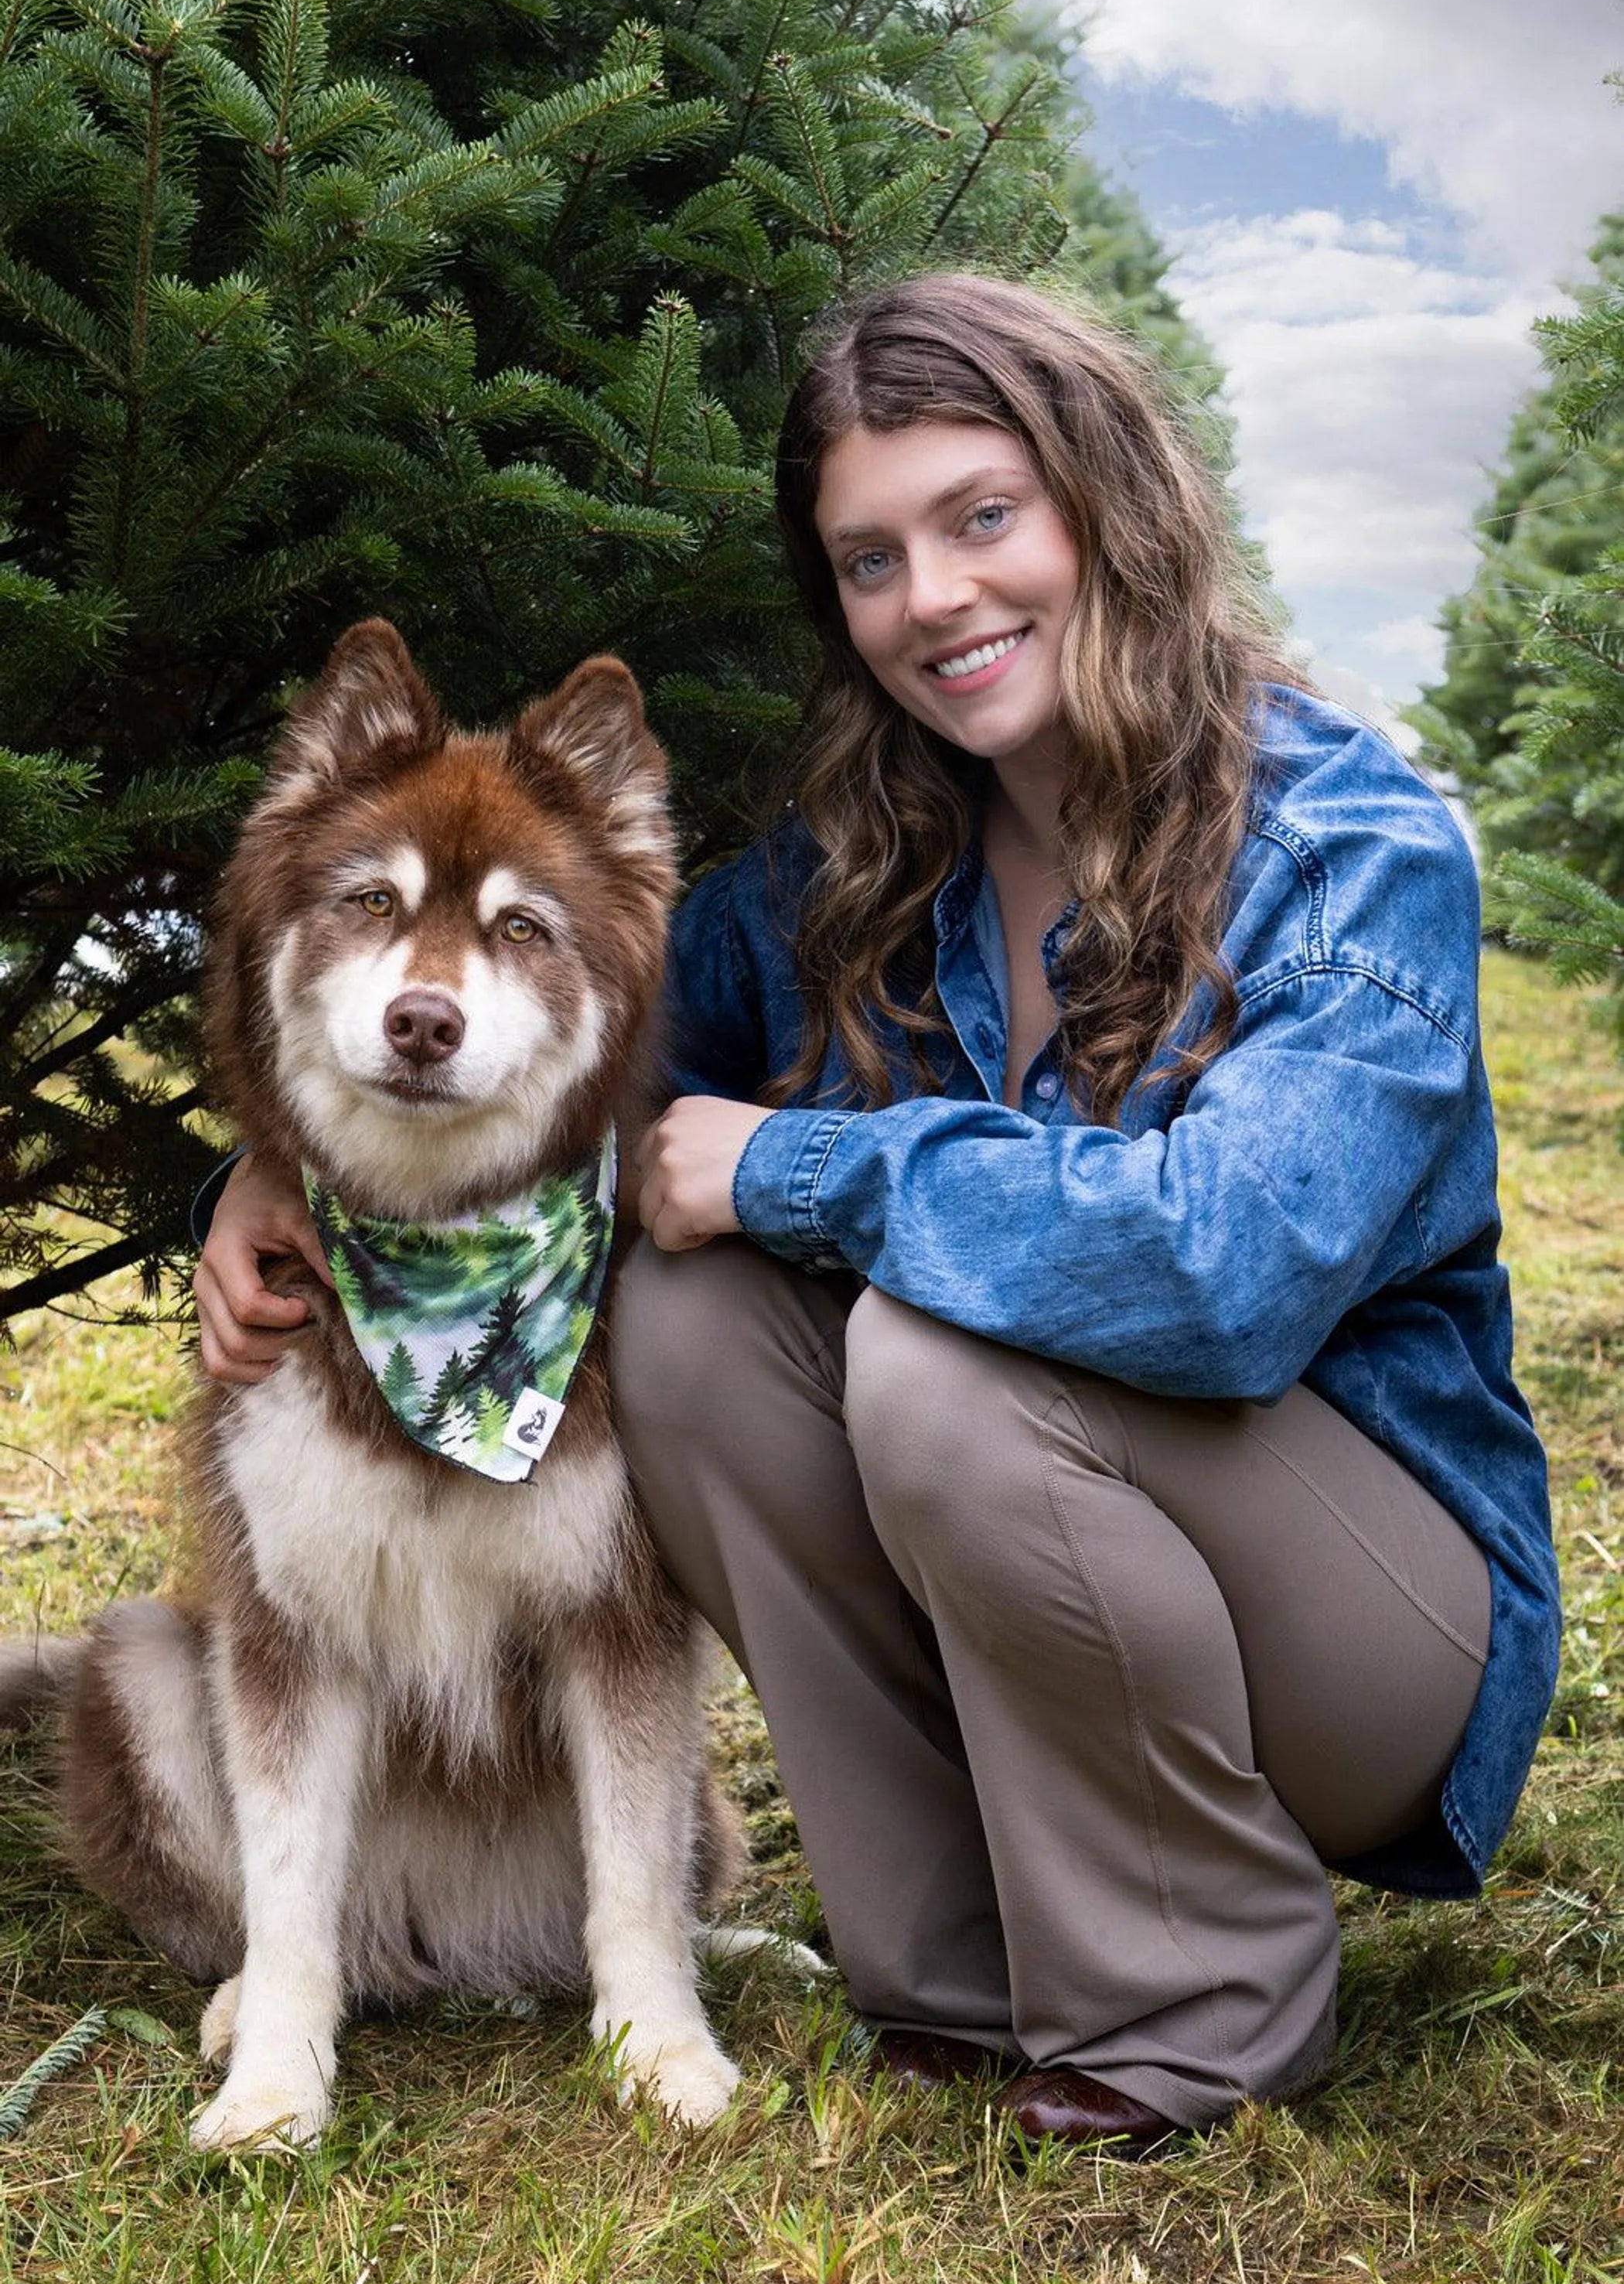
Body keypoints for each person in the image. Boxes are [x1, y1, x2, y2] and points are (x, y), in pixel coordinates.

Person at [195, 274, 1560, 2151]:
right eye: (869, 558)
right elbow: (567, 1059)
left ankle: (1202, 2002)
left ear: (1113, 505)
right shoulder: (861, 867)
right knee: (681, 1325)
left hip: (1368, 1626)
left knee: (936, 1351)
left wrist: (803, 1164)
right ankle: (953, 1971)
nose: (933, 598)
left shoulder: (1351, 847)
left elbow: (1224, 1273)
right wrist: (278, 1157)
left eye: (982, 517)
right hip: (1074, 1573)